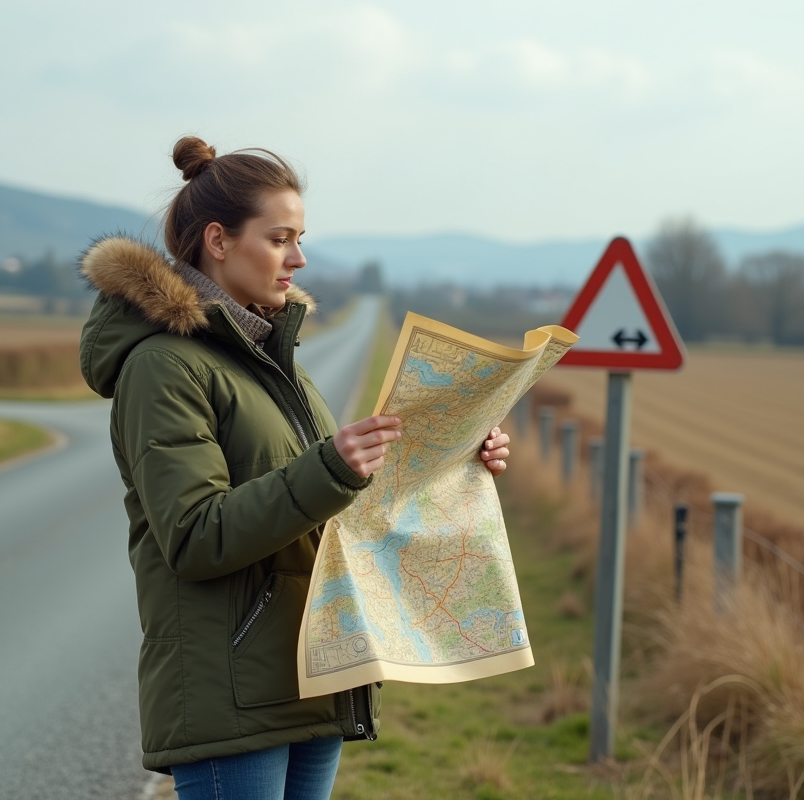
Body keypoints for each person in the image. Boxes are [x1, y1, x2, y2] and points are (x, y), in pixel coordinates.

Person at [78, 136, 512, 800]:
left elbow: (332, 506)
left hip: (309, 674)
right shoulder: (163, 366)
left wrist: (455, 463)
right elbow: (195, 537)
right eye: (280, 238)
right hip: (233, 694)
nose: (299, 259)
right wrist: (329, 469)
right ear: (219, 241)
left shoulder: (274, 361)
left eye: (300, 238)